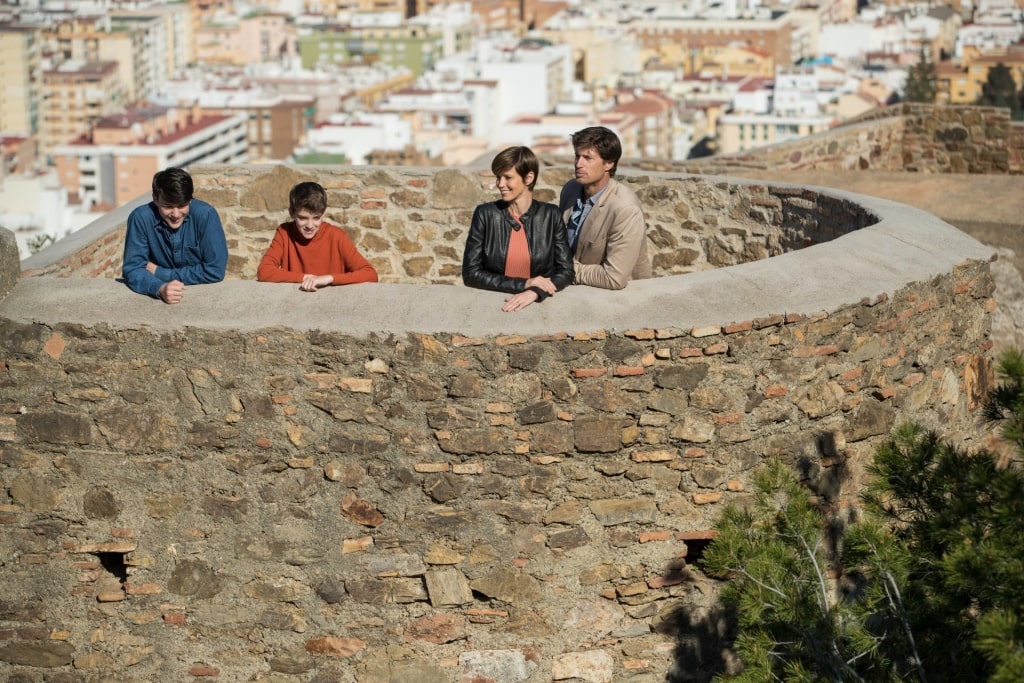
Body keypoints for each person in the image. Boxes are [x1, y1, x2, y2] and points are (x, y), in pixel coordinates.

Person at [462, 146, 574, 312]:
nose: (500, 184)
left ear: (528, 178)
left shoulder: (551, 215)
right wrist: (525, 283)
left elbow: (566, 271)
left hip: (539, 308)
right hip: (494, 306)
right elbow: (471, 273)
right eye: (498, 177)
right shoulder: (485, 214)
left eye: (507, 177)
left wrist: (535, 291)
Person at [559, 126, 652, 290]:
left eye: (588, 158)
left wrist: (565, 269)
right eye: (577, 156)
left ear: (609, 163)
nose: (578, 164)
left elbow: (614, 278)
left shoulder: (625, 208)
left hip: (619, 302)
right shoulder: (571, 189)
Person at [122, 167, 228, 304]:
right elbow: (133, 269)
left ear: (190, 199)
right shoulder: (140, 218)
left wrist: (160, 272)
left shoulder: (206, 215)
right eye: (168, 207)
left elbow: (215, 270)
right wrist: (160, 288)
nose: (176, 214)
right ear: (155, 199)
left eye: (182, 205)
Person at [257, 181, 378, 290]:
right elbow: (264, 271)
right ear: (292, 213)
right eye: (303, 218)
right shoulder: (284, 233)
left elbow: (370, 274)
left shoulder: (337, 236)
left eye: (316, 218)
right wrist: (306, 278)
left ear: (323, 214)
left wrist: (329, 278)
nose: (310, 225)